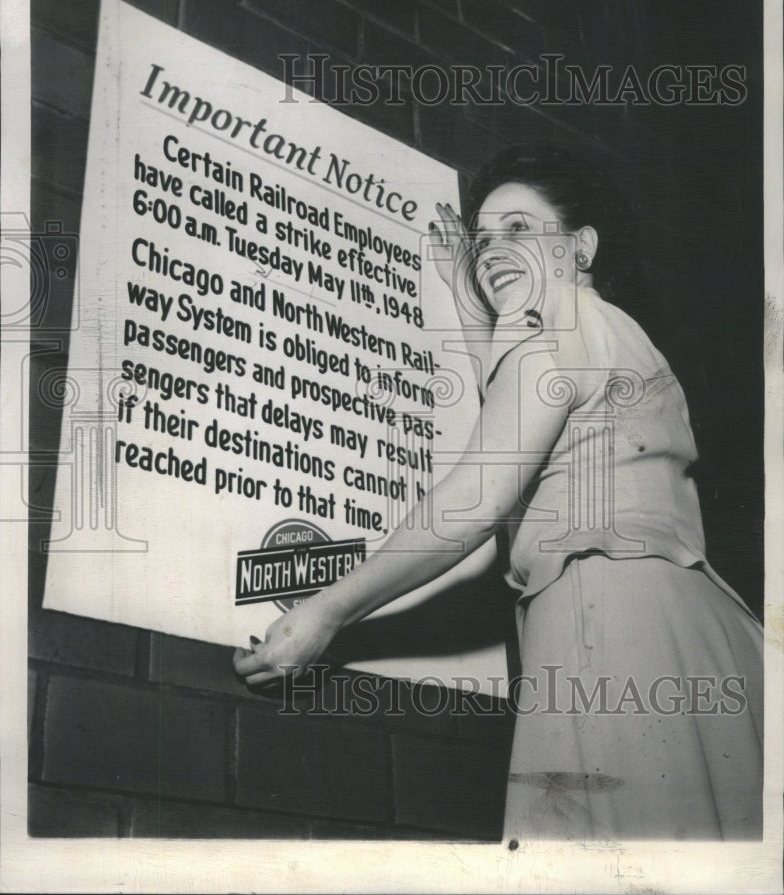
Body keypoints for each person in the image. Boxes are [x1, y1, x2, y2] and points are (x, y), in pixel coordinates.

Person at [234, 147, 763, 842]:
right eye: (484, 238)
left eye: (519, 228)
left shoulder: (554, 322)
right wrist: (467, 292)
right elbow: (524, 414)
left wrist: (326, 612)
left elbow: (481, 495)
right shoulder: (613, 334)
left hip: (612, 617)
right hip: (705, 634)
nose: (491, 250)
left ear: (581, 246)